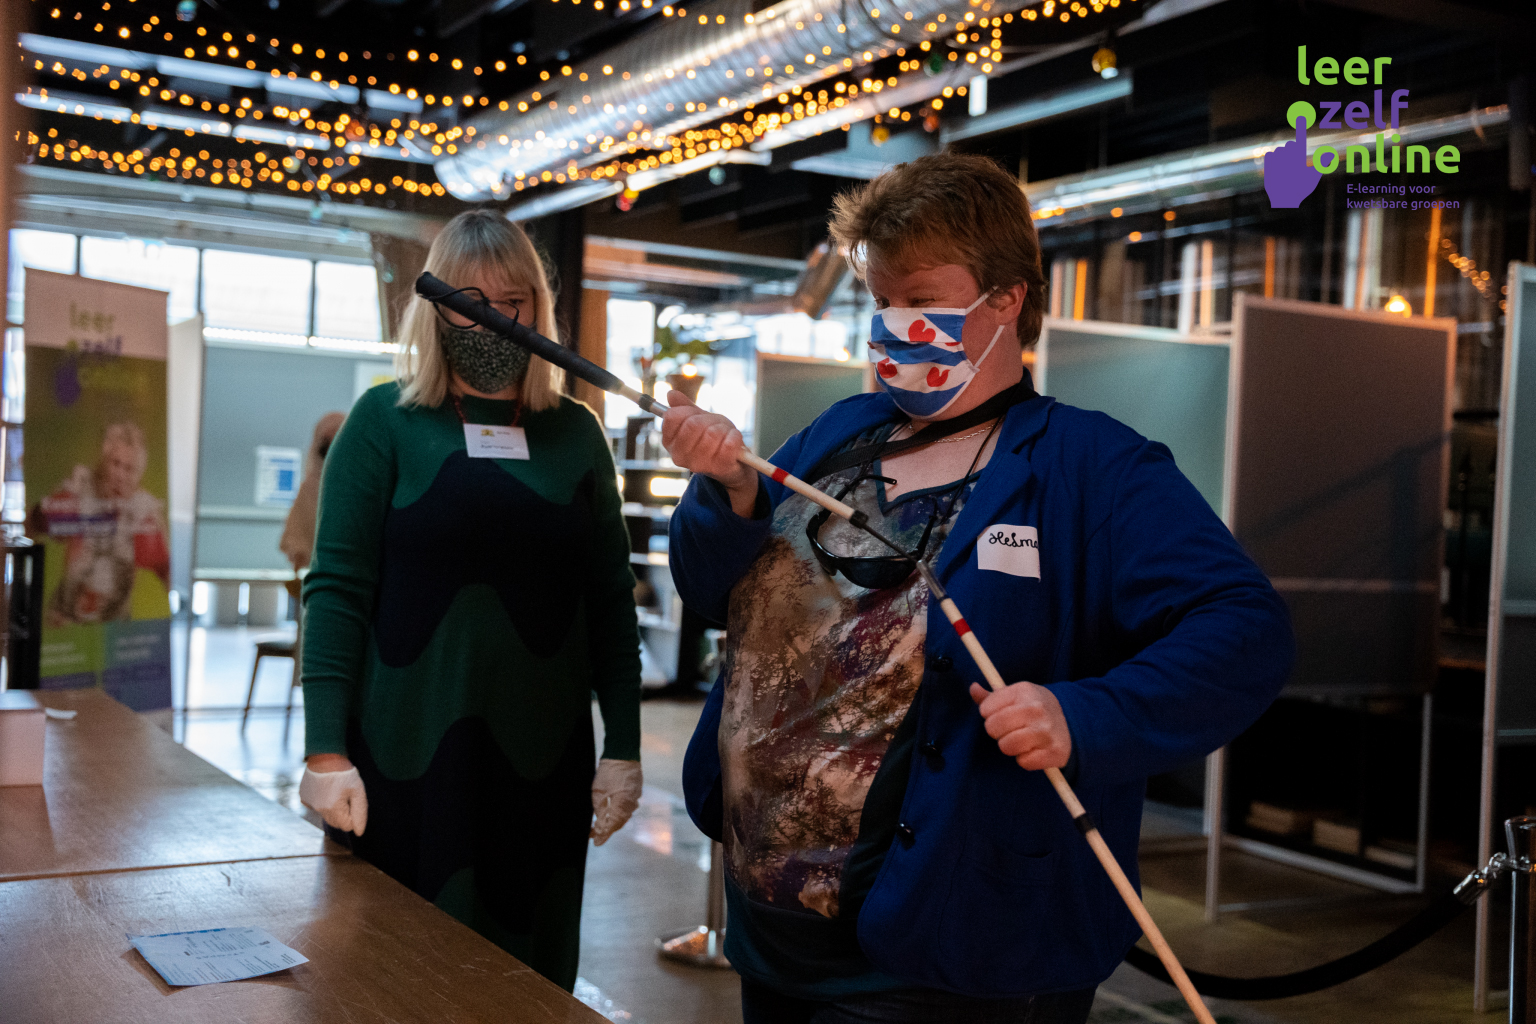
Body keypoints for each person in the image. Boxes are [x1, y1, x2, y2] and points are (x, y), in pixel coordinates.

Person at [662, 153, 1294, 1023]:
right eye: (882, 300)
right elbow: (710, 591)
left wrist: (1086, 715)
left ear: (1007, 299)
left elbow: (1244, 628)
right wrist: (725, 495)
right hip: (774, 929)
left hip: (951, 946)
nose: (894, 323)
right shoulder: (844, 433)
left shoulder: (1091, 466)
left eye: (922, 300)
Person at [297, 209, 644, 992]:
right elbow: (337, 592)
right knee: (393, 975)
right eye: (468, 296)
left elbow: (609, 603)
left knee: (527, 976)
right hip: (403, 754)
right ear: (433, 304)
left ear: (537, 310)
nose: (490, 316)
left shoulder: (576, 434)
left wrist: (623, 743)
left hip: (542, 763)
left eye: (512, 298)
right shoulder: (385, 422)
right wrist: (325, 751)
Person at [35, 421, 169, 626]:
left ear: (138, 475)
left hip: (114, 628)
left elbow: (169, 574)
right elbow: (32, 526)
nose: (120, 476)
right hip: (66, 620)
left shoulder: (145, 514)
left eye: (129, 469)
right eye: (115, 464)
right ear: (104, 461)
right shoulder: (80, 490)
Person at [278, 411, 346, 572]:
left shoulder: (360, 487)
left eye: (336, 436)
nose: (330, 443)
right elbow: (295, 544)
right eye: (325, 439)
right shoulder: (307, 490)